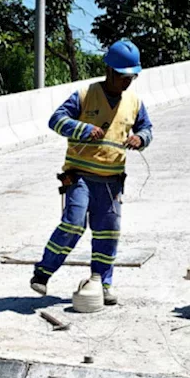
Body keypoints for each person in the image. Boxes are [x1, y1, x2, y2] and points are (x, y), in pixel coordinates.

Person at [31, 39, 153, 305]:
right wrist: (84, 129)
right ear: (109, 71)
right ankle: (43, 272)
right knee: (73, 224)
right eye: (123, 76)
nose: (127, 82)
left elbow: (147, 128)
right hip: (80, 177)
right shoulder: (85, 95)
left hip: (111, 181)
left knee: (108, 232)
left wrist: (141, 138)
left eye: (132, 77)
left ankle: (101, 283)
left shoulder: (134, 102)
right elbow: (56, 120)